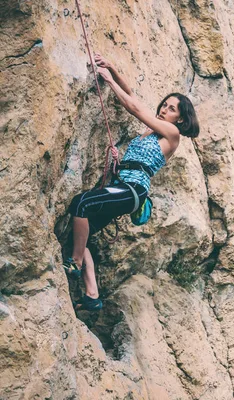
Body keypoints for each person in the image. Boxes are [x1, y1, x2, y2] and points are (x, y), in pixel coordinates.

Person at [63, 53, 199, 311]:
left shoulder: (171, 134)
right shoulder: (153, 130)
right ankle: (92, 295)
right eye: (164, 104)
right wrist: (112, 67)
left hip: (133, 190)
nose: (164, 109)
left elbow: (134, 108)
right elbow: (134, 97)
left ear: (180, 119)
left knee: (81, 203)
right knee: (84, 232)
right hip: (123, 184)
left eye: (172, 109)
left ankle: (75, 262)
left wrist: (108, 81)